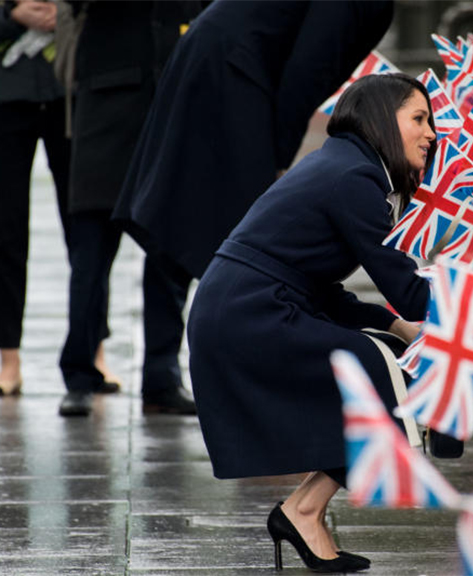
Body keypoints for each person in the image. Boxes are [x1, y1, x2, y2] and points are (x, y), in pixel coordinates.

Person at [186, 73, 435, 572]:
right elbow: (409, 289)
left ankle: (302, 511)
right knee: (380, 371)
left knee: (382, 360)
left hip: (251, 306)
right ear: (383, 119)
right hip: (248, 314)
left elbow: (320, 286)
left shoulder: (350, 165)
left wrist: (394, 325)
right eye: (419, 118)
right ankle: (302, 511)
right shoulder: (356, 177)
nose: (432, 133)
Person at [112, 0, 394, 418]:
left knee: (182, 213)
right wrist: (280, 156)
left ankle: (164, 372)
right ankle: (251, 378)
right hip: (233, 67)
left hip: (220, 55)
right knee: (251, 234)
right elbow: (308, 69)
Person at [57, 0, 204, 417]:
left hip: (171, 120)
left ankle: (161, 380)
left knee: (169, 258)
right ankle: (80, 375)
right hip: (106, 116)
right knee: (90, 258)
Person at [0, 0, 70, 396]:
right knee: (6, 230)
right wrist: (11, 15)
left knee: (85, 228)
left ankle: (92, 347)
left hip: (69, 90)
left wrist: (69, 14)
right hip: (8, 95)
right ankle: (8, 356)